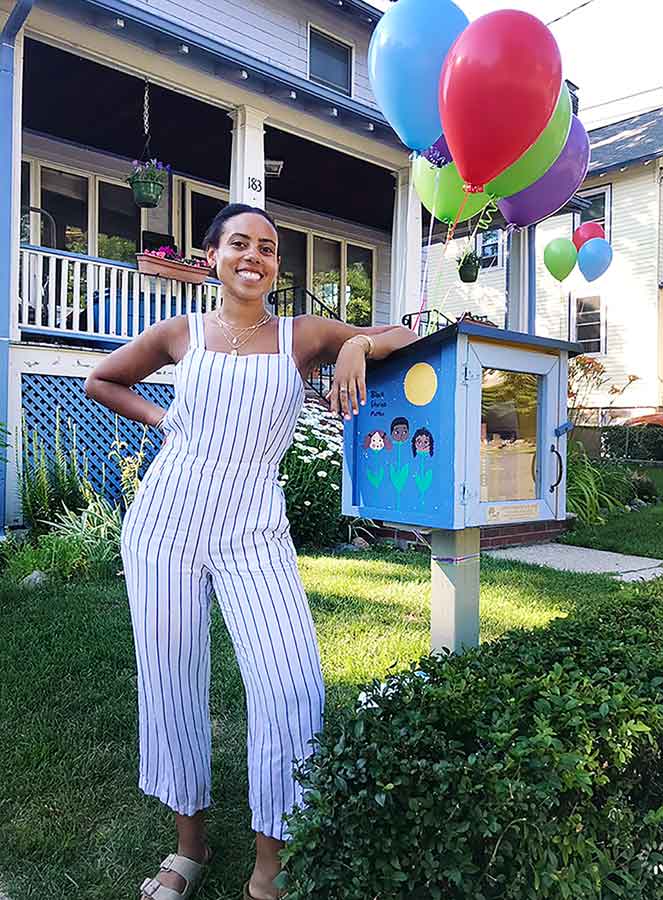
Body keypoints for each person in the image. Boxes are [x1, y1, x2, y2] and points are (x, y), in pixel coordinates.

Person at [85, 203, 417, 900]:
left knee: (290, 687)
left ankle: (269, 867)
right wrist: (161, 417)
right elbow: (103, 380)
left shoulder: (302, 335)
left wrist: (355, 345)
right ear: (212, 257)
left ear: (274, 266)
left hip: (252, 529)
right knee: (173, 683)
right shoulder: (180, 333)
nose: (253, 256)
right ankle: (189, 850)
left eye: (266, 248)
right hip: (164, 526)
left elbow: (402, 331)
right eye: (239, 243)